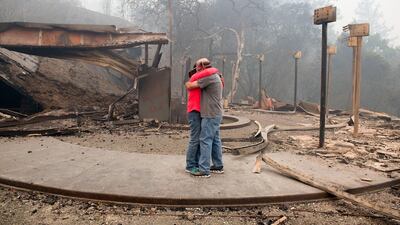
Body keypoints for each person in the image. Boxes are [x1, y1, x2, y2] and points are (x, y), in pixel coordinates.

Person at [185, 58, 224, 178]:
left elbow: (190, 85)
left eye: (196, 66)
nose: (195, 69)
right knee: (215, 139)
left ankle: (204, 169)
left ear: (201, 66)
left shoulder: (209, 77)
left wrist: (188, 82)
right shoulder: (216, 76)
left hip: (210, 114)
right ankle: (218, 165)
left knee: (205, 140)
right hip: (216, 112)